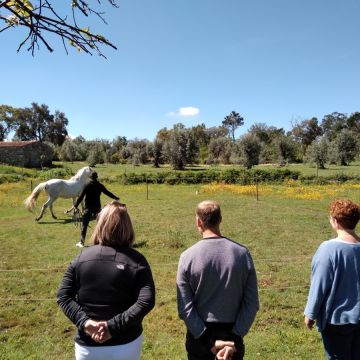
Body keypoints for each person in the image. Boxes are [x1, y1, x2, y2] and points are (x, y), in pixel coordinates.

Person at [57, 201, 155, 360]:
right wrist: (111, 327)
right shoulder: (137, 260)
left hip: (88, 345)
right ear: (128, 226)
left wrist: (86, 323)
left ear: (99, 225)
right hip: (126, 344)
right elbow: (146, 301)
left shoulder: (81, 257)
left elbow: (63, 296)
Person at [176, 200, 259, 360]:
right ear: (220, 219)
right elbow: (252, 304)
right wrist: (232, 340)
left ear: (198, 222)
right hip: (232, 336)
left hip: (199, 337)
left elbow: (185, 308)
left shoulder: (187, 257)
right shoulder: (242, 254)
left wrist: (209, 342)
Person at [304, 199, 360, 360]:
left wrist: (310, 313)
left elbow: (319, 285)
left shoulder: (328, 249)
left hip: (338, 320)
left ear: (335, 221)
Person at [73, 171, 119, 247]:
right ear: (96, 177)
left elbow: (81, 197)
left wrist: (76, 205)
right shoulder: (100, 185)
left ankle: (81, 242)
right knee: (100, 224)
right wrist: (116, 198)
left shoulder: (87, 185)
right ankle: (103, 240)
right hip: (97, 207)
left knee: (84, 224)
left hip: (88, 207)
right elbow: (107, 193)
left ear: (90, 178)